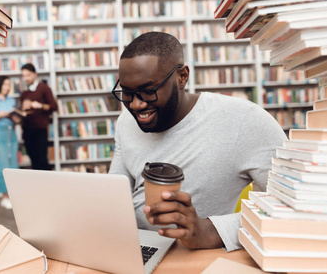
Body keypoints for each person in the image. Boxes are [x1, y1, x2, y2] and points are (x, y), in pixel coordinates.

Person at [108, 32, 287, 252]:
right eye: (127, 93)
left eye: (148, 91)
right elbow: (113, 197)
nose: (136, 105)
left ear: (182, 77)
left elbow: (290, 209)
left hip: (197, 258)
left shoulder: (245, 121)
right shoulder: (126, 121)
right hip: (133, 250)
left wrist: (212, 231)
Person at [0, 76, 20, 209]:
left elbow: (17, 120)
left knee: (13, 165)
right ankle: (4, 197)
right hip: (0, 133)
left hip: (12, 133)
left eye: (9, 85)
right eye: (5, 84)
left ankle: (13, 196)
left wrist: (16, 115)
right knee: (3, 165)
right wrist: (0, 115)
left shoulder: (11, 100)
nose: (7, 87)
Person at [20, 63, 58, 170]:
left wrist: (39, 105)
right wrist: (22, 109)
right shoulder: (24, 93)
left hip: (40, 130)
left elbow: (54, 107)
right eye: (24, 76)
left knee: (42, 160)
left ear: (35, 74)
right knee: (33, 160)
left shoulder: (44, 88)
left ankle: (47, 185)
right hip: (27, 130)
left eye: (28, 75)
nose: (26, 78)